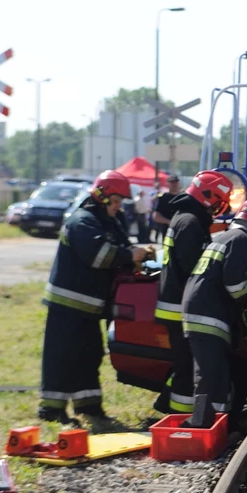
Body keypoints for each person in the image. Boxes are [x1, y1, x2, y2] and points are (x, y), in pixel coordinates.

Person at [38, 171, 150, 423]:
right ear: (101, 195)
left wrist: (134, 260)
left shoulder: (108, 221)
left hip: (90, 306)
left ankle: (88, 406)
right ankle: (51, 410)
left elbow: (120, 248)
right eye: (116, 200)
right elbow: (99, 255)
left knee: (89, 355)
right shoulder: (82, 220)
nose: (119, 206)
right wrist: (130, 255)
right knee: (62, 356)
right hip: (68, 304)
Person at [181, 196, 247, 428]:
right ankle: (207, 427)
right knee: (213, 375)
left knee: (214, 372)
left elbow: (234, 272)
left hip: (199, 308)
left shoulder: (224, 236)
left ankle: (214, 424)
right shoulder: (241, 240)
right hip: (208, 314)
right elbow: (234, 283)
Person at [152, 171, 233, 415]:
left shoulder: (185, 217)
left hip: (176, 304)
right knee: (187, 366)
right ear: (206, 195)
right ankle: (181, 416)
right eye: (218, 202)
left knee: (183, 364)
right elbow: (193, 268)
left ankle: (170, 405)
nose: (219, 209)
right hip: (179, 307)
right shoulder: (190, 222)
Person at [152, 175, 182, 242]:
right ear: (168, 184)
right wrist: (169, 222)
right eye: (172, 182)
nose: (174, 184)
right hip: (167, 231)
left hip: (181, 230)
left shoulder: (183, 197)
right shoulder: (163, 198)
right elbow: (156, 216)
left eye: (176, 182)